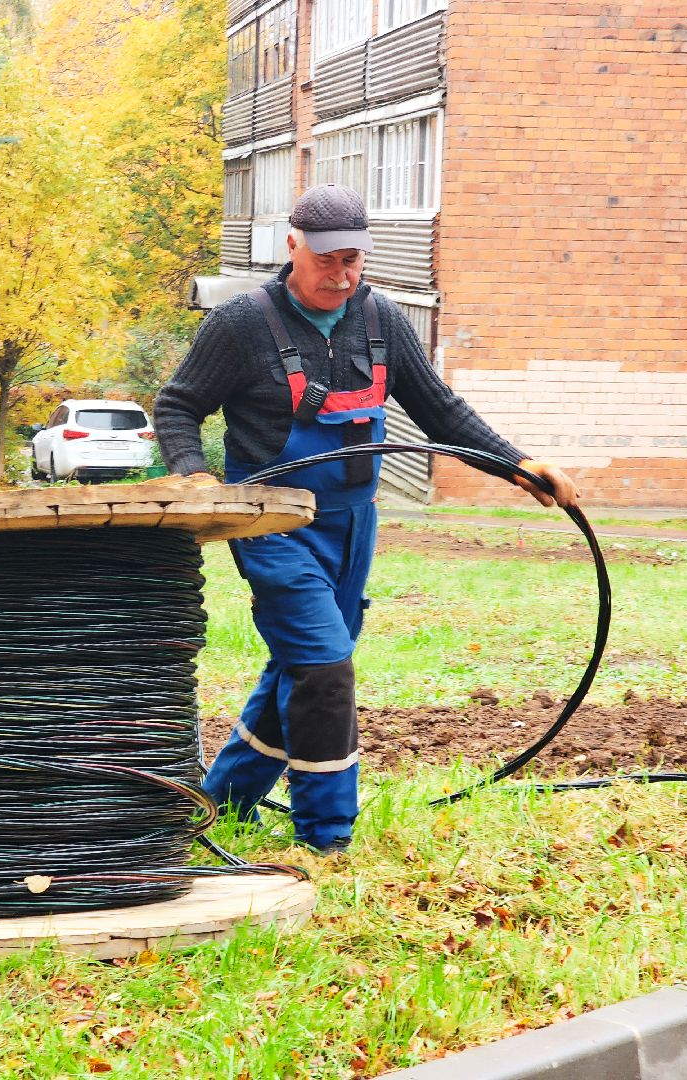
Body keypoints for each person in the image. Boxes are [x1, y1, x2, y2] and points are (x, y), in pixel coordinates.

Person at [154, 183, 579, 854]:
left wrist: (519, 464)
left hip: (354, 526)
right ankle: (327, 837)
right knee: (324, 666)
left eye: (354, 260)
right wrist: (195, 474)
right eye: (328, 260)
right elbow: (177, 405)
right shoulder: (242, 323)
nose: (343, 275)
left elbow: (441, 412)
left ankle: (222, 801)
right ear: (292, 245)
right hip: (272, 525)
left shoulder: (380, 319)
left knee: (309, 661)